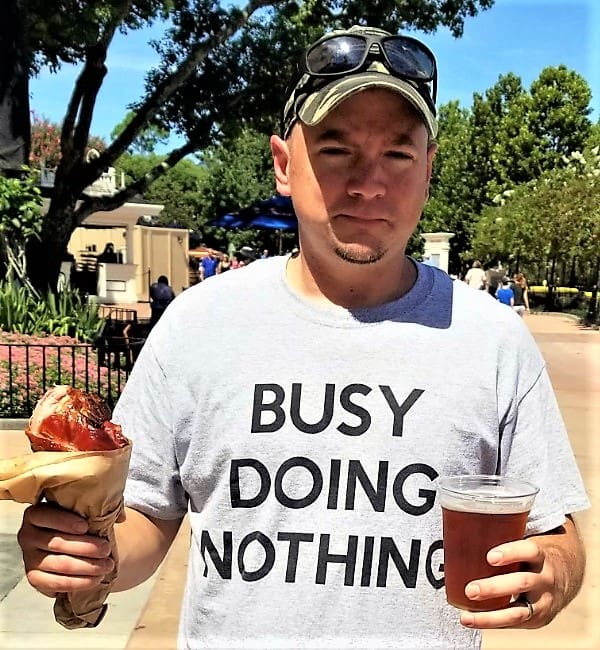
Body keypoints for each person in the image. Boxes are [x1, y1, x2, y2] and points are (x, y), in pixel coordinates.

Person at [18, 25, 589, 650]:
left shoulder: (493, 339)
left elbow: (556, 534)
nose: (368, 182)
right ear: (284, 164)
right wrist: (90, 559)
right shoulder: (198, 325)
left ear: (428, 171)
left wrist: (554, 574)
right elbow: (147, 519)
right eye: (336, 150)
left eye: (398, 154)